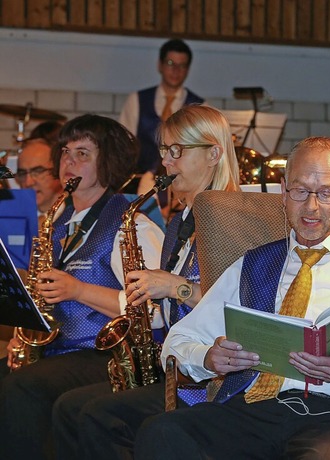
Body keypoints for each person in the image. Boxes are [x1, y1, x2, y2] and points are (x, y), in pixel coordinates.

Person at [133, 136, 330, 459]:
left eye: (327, 193)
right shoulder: (252, 265)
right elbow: (178, 341)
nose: (311, 206)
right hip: (256, 409)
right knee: (162, 432)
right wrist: (207, 357)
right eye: (300, 191)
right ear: (284, 194)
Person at [51, 105, 241, 460]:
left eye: (177, 151)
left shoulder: (234, 217)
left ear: (214, 153)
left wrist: (174, 287)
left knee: (96, 415)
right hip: (176, 367)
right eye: (164, 151)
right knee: (74, 409)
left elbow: (240, 308)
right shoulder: (181, 221)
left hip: (210, 382)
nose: (166, 163)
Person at [0, 114, 165, 460]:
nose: (69, 162)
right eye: (65, 152)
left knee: (24, 388)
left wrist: (77, 290)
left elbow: (155, 312)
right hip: (62, 351)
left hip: (108, 356)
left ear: (108, 162)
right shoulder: (58, 223)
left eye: (83, 153)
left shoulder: (131, 223)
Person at [119, 38, 204, 176]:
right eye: (171, 63)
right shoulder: (137, 100)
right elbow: (122, 147)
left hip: (181, 182)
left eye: (182, 65)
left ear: (188, 69)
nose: (176, 70)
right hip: (139, 181)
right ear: (160, 65)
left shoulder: (199, 107)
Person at [15, 123, 64, 219]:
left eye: (38, 171)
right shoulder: (12, 217)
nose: (28, 182)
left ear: (58, 171)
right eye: (22, 173)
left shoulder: (76, 218)